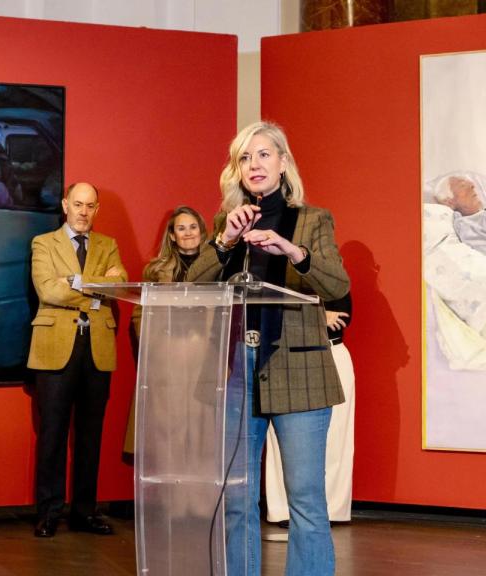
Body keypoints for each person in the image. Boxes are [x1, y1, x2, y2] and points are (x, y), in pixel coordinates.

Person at [186, 121, 350, 575]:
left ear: (282, 162)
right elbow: (193, 285)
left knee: (306, 502)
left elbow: (337, 284)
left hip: (299, 370)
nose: (254, 164)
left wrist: (291, 250)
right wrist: (224, 241)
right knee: (238, 498)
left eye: (263, 154)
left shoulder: (313, 220)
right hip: (238, 368)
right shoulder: (228, 224)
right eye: (245, 157)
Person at [28, 182, 127, 538]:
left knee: (90, 437)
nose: (84, 212)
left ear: (97, 209)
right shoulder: (43, 243)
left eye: (90, 206)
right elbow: (47, 290)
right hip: (55, 348)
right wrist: (97, 287)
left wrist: (73, 282)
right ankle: (49, 513)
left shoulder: (108, 245)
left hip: (97, 349)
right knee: (52, 435)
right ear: (65, 205)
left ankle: (84, 513)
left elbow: (121, 283)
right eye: (78, 204)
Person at [265, 292, 354, 527]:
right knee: (281, 435)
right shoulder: (276, 277)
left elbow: (343, 317)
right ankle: (282, 509)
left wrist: (308, 317)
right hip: (284, 355)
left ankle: (331, 509)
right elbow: (270, 314)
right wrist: (318, 316)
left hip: (330, 352)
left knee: (334, 437)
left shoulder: (330, 277)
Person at [124, 206, 208, 454]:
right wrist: (154, 347)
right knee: (169, 428)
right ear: (172, 235)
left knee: (201, 429)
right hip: (168, 358)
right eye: (181, 228)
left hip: (203, 357)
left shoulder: (218, 267)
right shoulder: (156, 271)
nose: (188, 233)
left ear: (202, 232)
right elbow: (140, 313)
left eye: (193, 227)